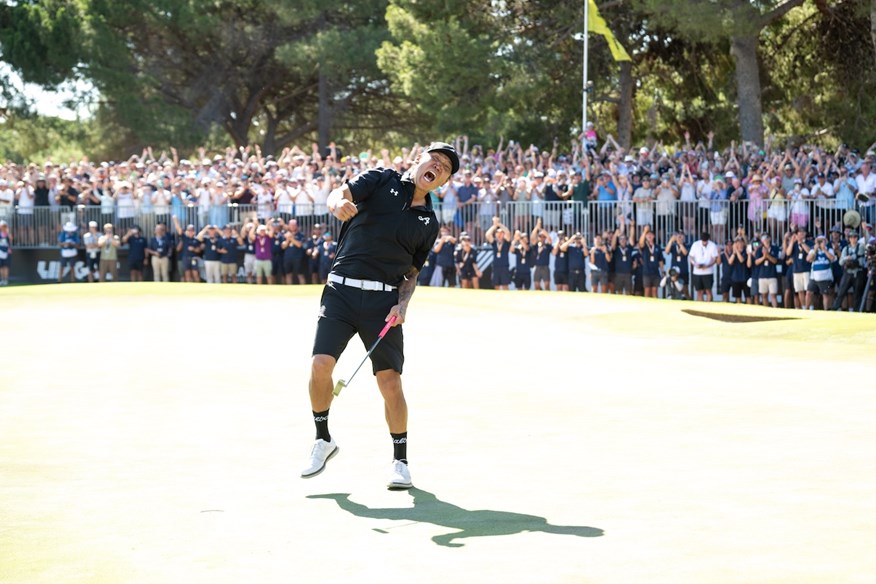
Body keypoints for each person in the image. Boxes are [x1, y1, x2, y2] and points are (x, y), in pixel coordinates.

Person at [300, 141, 453, 490]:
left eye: (446, 168)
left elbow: (412, 271)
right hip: (340, 291)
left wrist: (403, 305)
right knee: (320, 365)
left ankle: (401, 463)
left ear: (443, 182)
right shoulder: (382, 179)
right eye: (436, 159)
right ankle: (323, 439)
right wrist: (337, 202)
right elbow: (340, 192)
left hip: (383, 304)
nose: (439, 167)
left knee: (390, 383)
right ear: (420, 160)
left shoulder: (428, 221)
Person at [831, 231, 867, 311]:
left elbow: (858, 257)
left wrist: (848, 257)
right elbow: (840, 262)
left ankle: (858, 310)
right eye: (851, 237)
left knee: (857, 293)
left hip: (858, 272)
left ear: (857, 238)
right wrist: (846, 258)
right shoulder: (845, 248)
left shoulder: (860, 246)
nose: (853, 239)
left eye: (855, 237)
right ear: (849, 239)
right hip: (848, 272)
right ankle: (834, 308)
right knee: (841, 292)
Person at [805, 235, 836, 310]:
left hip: (825, 277)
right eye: (818, 241)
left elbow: (832, 258)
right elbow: (808, 259)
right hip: (814, 276)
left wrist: (824, 250)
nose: (820, 243)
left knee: (825, 294)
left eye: (822, 241)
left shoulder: (829, 249)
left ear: (826, 242)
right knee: (809, 293)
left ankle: (826, 310)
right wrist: (815, 250)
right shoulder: (813, 250)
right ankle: (806, 309)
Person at [688, 231, 719, 302]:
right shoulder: (695, 244)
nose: (704, 243)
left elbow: (715, 258)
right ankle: (700, 307)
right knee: (699, 291)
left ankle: (709, 307)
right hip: (697, 272)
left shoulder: (712, 245)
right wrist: (695, 264)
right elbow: (691, 257)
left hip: (708, 272)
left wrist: (708, 265)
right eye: (703, 241)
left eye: (706, 241)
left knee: (708, 290)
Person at [485, 217, 512, 290]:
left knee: (505, 285)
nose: (499, 235)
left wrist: (499, 224)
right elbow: (488, 235)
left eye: (501, 233)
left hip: (504, 266)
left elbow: (508, 232)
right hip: (496, 266)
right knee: (496, 285)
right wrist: (494, 225)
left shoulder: (506, 243)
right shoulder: (494, 243)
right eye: (497, 233)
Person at [0, 219, 11, 285]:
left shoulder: (7, 234)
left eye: (5, 226)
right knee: (0, 267)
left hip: (7, 253)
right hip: (0, 252)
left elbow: (11, 239)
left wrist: (8, 232)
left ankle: (6, 280)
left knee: (6, 267)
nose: (3, 227)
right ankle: (2, 280)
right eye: (2, 226)